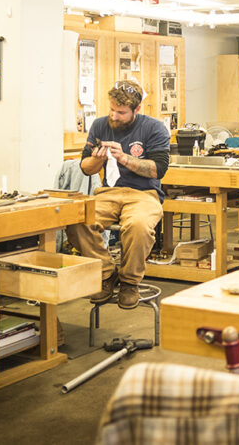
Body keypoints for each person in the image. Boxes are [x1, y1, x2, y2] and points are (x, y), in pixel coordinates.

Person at [65, 79, 170, 310]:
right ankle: (105, 273)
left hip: (144, 193)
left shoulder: (154, 128)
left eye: (121, 112)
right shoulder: (100, 126)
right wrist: (97, 159)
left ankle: (129, 282)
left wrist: (124, 158)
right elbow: (85, 168)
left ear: (137, 109)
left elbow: (158, 169)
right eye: (112, 109)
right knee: (76, 220)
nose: (114, 116)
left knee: (139, 226)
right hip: (108, 192)